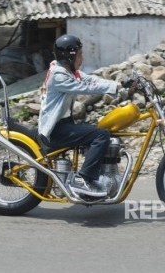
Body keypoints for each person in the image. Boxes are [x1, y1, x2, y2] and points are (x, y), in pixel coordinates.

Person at [38, 34, 121, 198]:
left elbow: (89, 79)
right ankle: (83, 179)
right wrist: (114, 86)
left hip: (64, 123)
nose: (82, 58)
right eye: (80, 54)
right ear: (69, 56)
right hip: (55, 129)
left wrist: (117, 85)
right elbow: (84, 87)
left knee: (100, 130)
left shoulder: (67, 70)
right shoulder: (59, 76)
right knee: (101, 135)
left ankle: (98, 175)